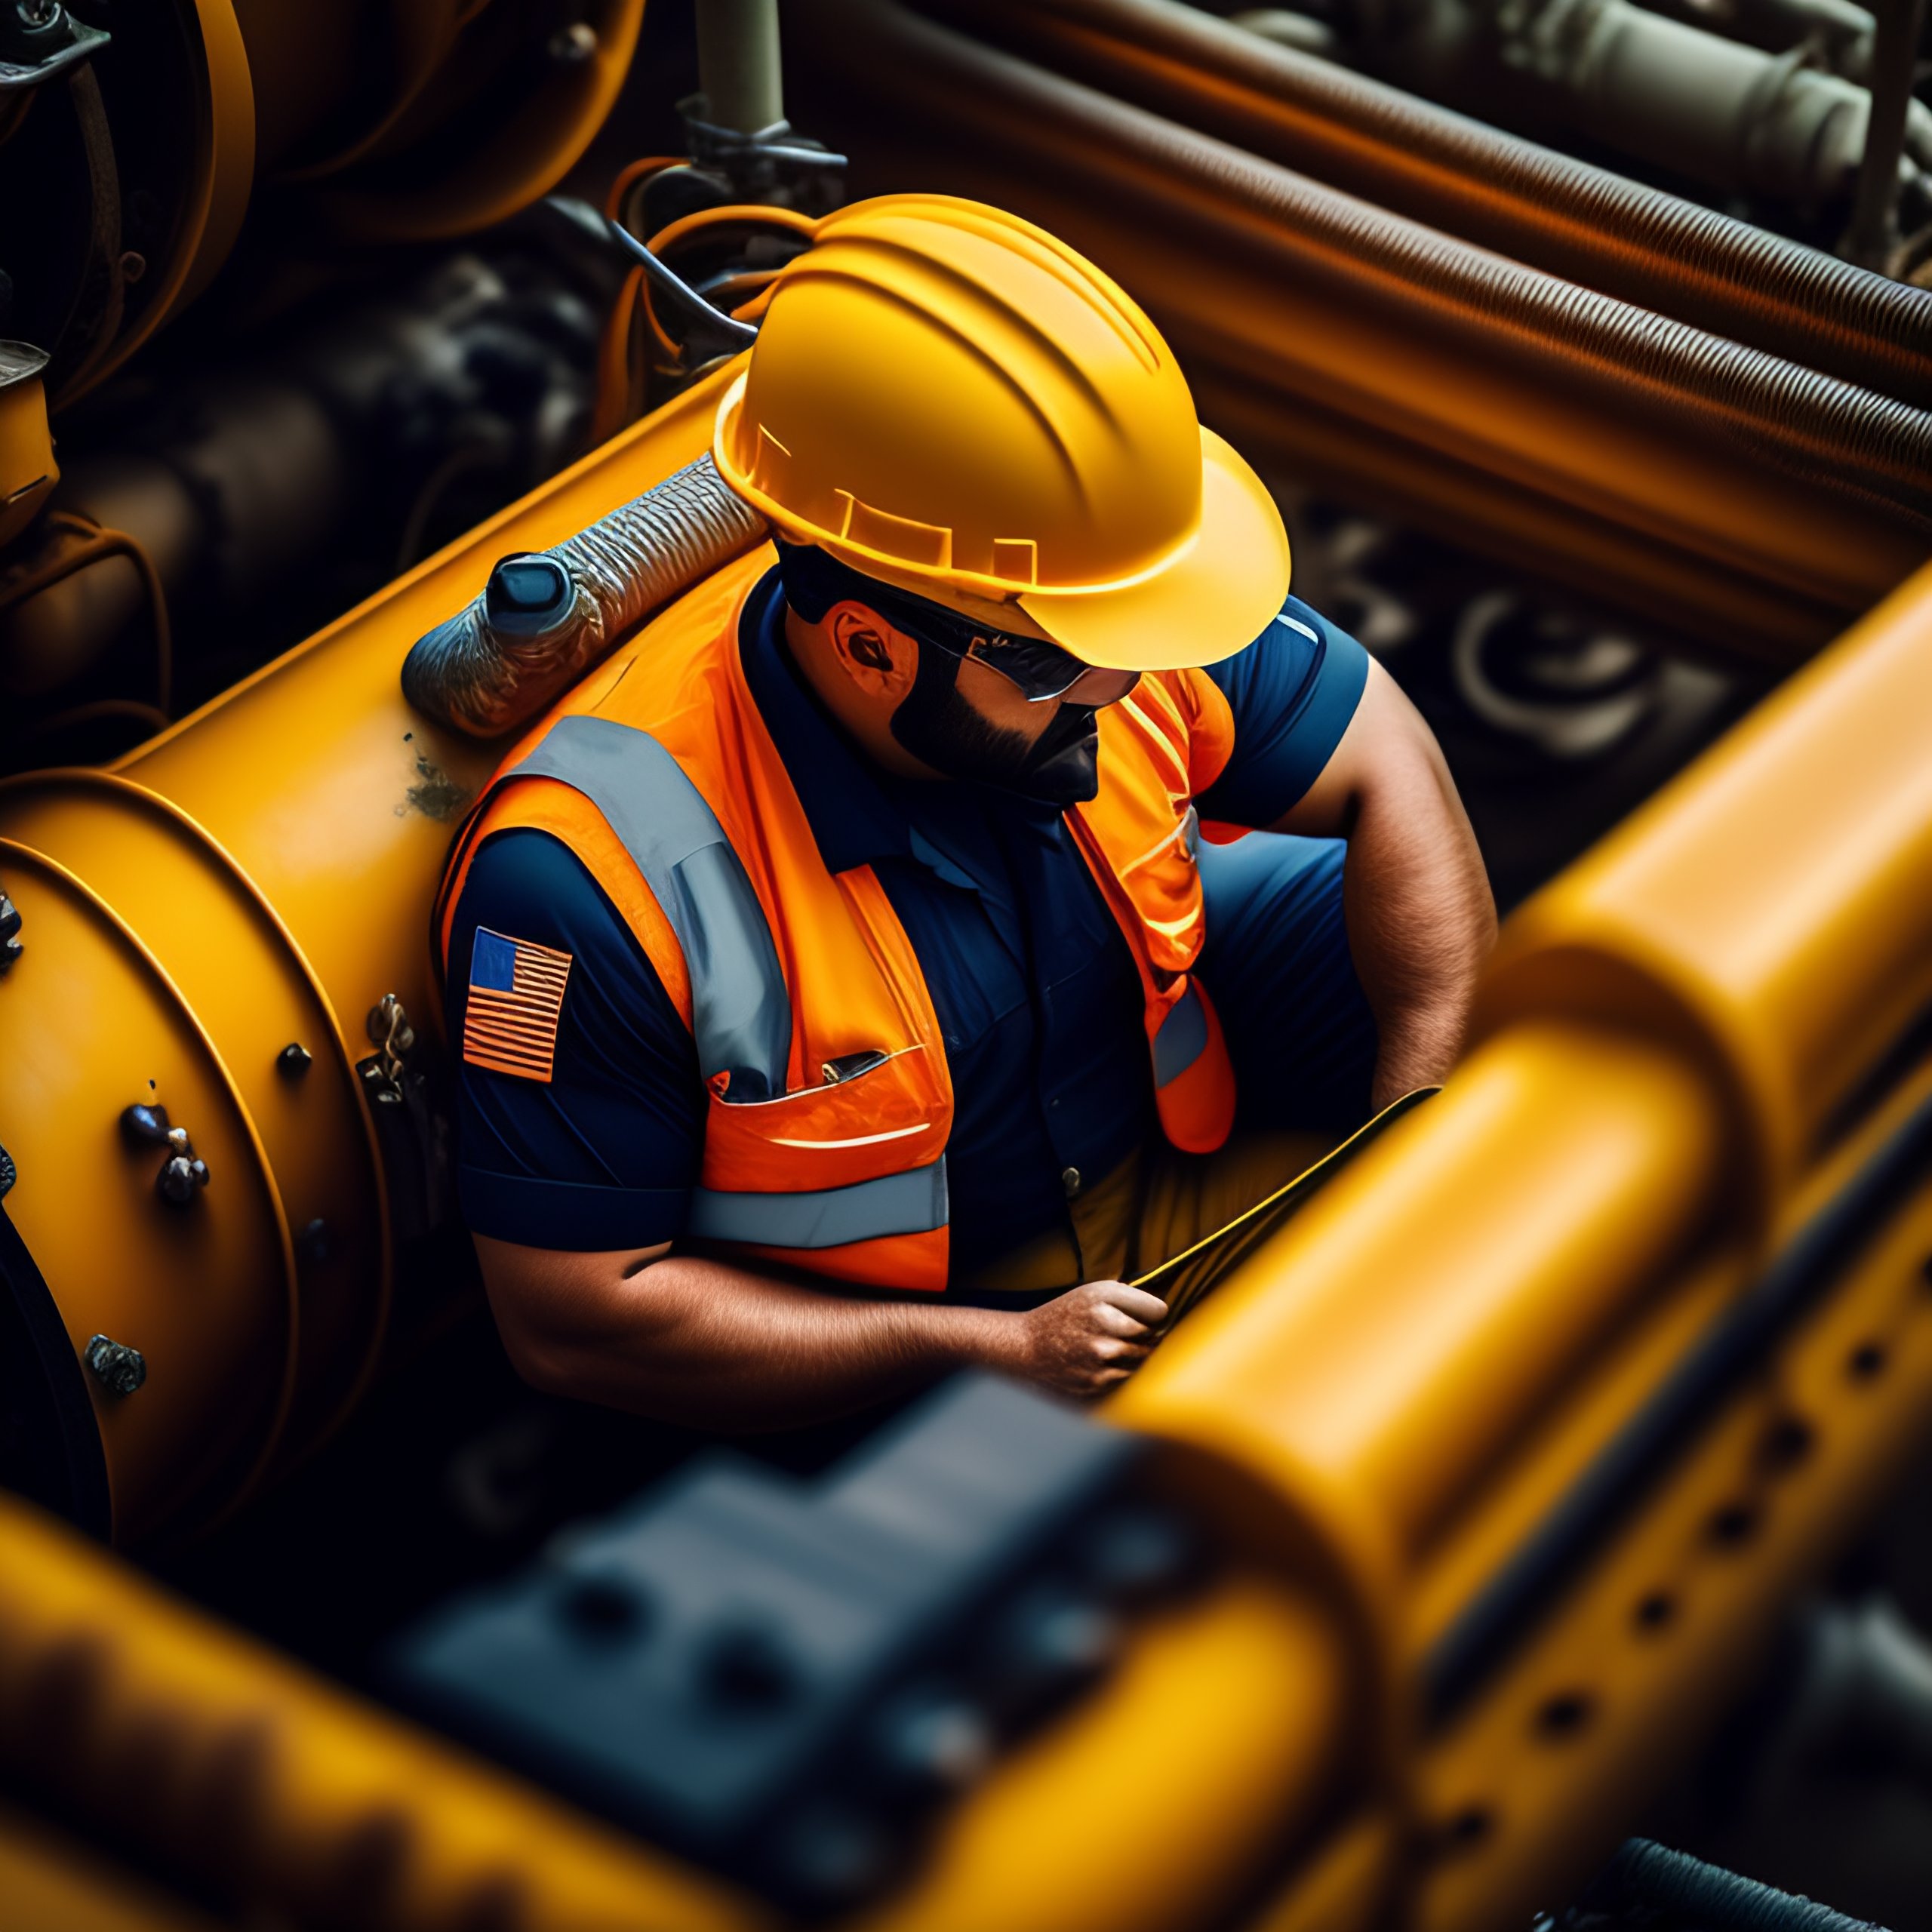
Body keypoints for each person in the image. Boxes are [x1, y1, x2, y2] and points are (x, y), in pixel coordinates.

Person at [435, 195, 1494, 1429]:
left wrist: (1411, 1147)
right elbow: (572, 1319)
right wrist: (988, 1355)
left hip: (1153, 1201)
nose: (1128, 683)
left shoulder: (1094, 605)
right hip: (904, 1385)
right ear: (873, 649)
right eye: (1062, 665)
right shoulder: (589, 886)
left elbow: (1393, 762)